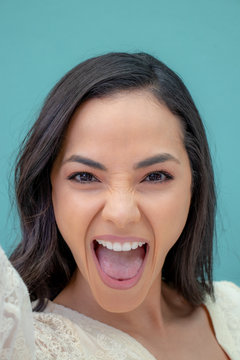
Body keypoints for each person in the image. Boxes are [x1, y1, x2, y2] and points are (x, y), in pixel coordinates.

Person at [0, 52, 239, 360]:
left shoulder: (232, 308)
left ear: (194, 185)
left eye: (155, 176)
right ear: (49, 191)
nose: (121, 214)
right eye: (85, 176)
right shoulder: (23, 345)